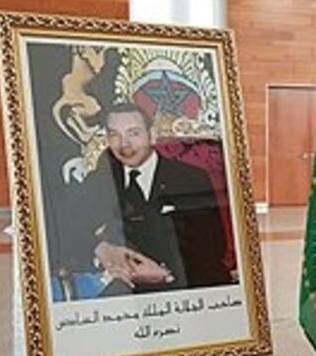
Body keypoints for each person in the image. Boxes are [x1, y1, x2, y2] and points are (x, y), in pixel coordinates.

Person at [85, 102, 234, 294]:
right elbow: (66, 231)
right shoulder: (102, 179)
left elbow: (212, 248)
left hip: (186, 282)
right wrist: (101, 249)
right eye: (114, 135)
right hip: (127, 287)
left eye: (133, 133)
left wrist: (166, 275)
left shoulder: (191, 178)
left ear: (152, 135)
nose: (124, 145)